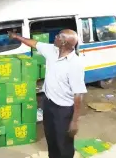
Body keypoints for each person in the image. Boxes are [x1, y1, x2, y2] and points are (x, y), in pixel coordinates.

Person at [8, 29, 87, 158]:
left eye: (58, 36)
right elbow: (34, 43)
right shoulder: (52, 50)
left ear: (63, 42)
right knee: (51, 138)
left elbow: (78, 94)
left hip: (64, 110)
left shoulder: (75, 64)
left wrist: (75, 121)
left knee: (64, 143)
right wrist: (17, 37)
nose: (54, 37)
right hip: (49, 104)